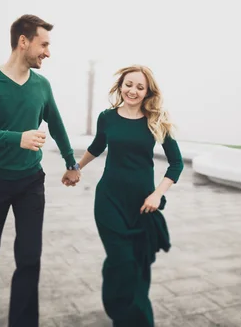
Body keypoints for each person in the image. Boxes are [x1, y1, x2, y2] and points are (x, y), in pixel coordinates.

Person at [0, 14, 81, 327]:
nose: (48, 53)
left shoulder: (42, 85)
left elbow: (56, 122)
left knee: (29, 257)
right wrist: (18, 138)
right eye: (44, 44)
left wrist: (71, 161)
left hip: (29, 184)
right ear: (23, 42)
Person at [66, 65, 184, 326]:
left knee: (138, 266)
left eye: (139, 87)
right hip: (109, 201)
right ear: (121, 86)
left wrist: (157, 194)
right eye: (128, 84)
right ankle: (119, 310)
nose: (133, 90)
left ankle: (133, 320)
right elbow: (97, 146)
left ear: (146, 92)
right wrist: (75, 168)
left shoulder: (156, 121)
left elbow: (176, 163)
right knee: (122, 260)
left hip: (143, 205)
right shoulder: (107, 118)